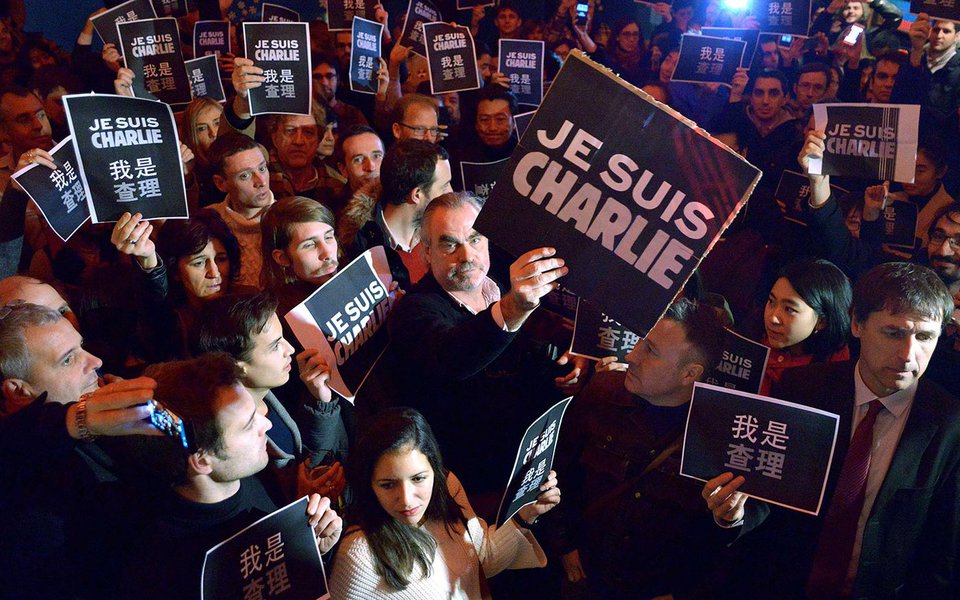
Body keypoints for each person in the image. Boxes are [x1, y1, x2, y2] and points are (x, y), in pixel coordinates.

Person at [704, 261, 959, 598]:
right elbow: (768, 503)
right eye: (893, 332)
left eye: (925, 336)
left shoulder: (947, 423)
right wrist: (734, 515)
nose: (908, 354)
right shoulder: (802, 390)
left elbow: (943, 549)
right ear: (857, 323)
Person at [86, 353, 343, 599]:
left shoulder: (249, 473)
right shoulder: (168, 569)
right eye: (247, 425)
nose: (267, 425)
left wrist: (311, 551)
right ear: (201, 460)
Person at [385, 192, 571, 500]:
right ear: (427, 252)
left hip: (537, 451)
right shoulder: (413, 312)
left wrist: (571, 356)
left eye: (475, 239)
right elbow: (455, 356)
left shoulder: (496, 281)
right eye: (449, 244)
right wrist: (514, 307)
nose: (467, 255)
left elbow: (527, 345)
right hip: (478, 484)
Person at [545, 298, 729, 599]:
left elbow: (710, 541)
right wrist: (564, 545)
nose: (632, 355)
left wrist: (681, 592)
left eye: (651, 351)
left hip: (652, 588)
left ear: (690, 374)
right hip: (585, 572)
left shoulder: (715, 438)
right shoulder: (602, 392)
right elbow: (557, 471)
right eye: (641, 342)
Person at [330, 407, 560, 599]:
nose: (407, 499)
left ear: (435, 467)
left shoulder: (448, 488)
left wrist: (525, 514)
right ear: (368, 483)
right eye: (388, 485)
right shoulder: (359, 554)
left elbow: (482, 560)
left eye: (418, 478)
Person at [193, 291, 351, 499]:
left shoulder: (281, 390)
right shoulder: (230, 439)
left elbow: (320, 457)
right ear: (238, 368)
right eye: (275, 346)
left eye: (283, 338)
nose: (291, 349)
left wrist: (320, 401)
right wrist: (300, 500)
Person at [340, 139, 451, 291]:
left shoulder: (450, 231)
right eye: (444, 186)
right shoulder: (359, 250)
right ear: (416, 195)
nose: (451, 192)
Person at [756, 259, 852, 395]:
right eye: (771, 302)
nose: (773, 318)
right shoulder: (749, 338)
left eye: (789, 309)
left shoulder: (834, 370)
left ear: (821, 321)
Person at [208, 133, 276, 288]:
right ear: (221, 183)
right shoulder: (207, 223)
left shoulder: (292, 218)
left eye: (262, 168)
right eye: (245, 175)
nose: (261, 181)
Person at [261, 196, 340, 316]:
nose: (328, 253)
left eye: (328, 237)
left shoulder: (358, 274)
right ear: (282, 258)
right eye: (309, 245)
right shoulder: (276, 318)